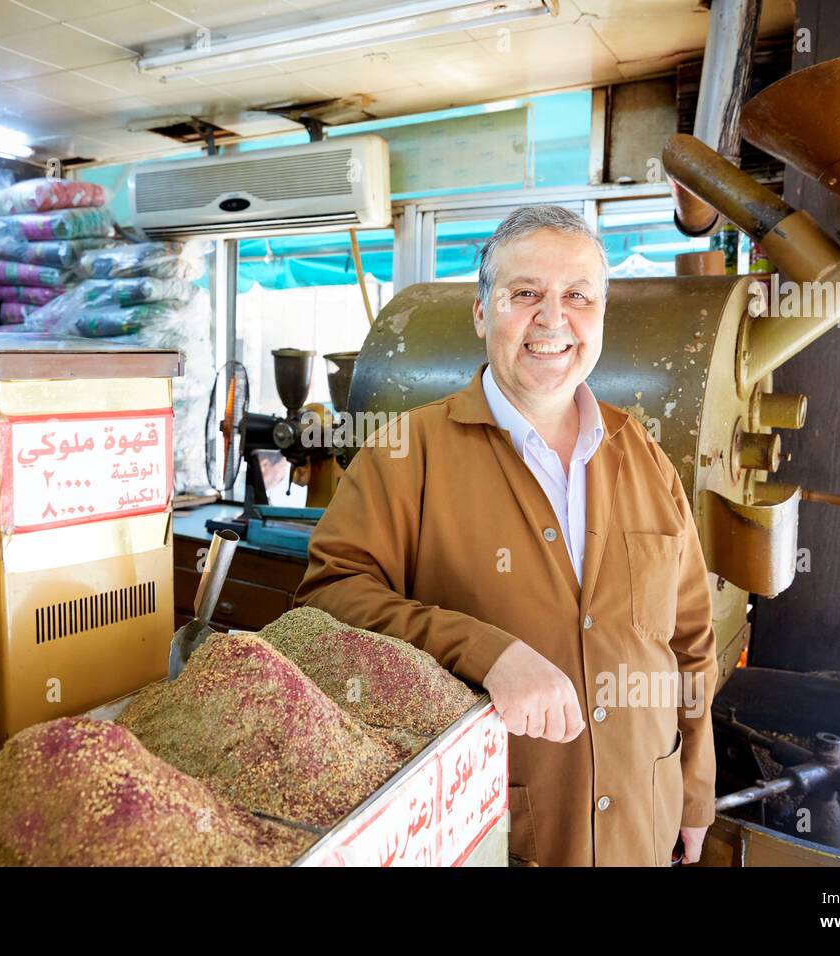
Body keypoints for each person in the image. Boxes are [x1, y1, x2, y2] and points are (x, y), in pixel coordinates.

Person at [295, 204, 718, 866]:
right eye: (526, 294)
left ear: (600, 315)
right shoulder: (405, 456)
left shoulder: (645, 456)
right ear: (481, 312)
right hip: (493, 832)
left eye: (577, 295)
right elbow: (323, 607)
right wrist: (481, 651)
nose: (553, 318)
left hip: (644, 821)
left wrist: (693, 793)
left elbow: (690, 643)